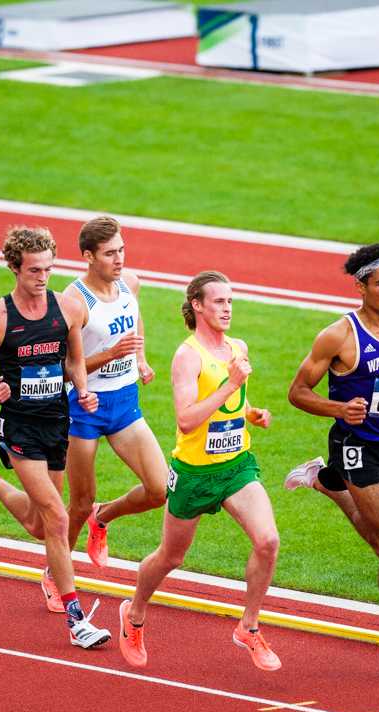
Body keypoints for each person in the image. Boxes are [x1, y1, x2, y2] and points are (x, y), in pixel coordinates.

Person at [0, 225, 110, 649]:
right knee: (58, 518)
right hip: (19, 428)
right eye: (34, 270)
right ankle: (76, 621)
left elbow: (75, 361)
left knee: (40, 525)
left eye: (49, 268)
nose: (43, 277)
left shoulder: (68, 308)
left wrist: (85, 391)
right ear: (15, 268)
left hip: (58, 421)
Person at [284, 243, 379, 682]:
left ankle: (327, 485)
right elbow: (297, 392)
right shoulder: (339, 336)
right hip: (355, 445)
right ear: (362, 286)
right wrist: (339, 410)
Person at [118, 271, 281, 671]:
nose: (227, 308)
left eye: (230, 301)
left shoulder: (237, 346)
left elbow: (227, 406)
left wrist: (250, 412)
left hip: (236, 466)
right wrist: (231, 385)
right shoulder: (187, 355)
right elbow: (188, 419)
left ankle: (249, 627)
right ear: (197, 305)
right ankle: (134, 613)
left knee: (268, 541)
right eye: (219, 301)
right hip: (194, 473)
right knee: (171, 557)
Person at [60, 217, 167, 571]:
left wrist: (140, 358)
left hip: (125, 403)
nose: (119, 259)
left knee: (159, 489)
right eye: (109, 253)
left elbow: (135, 319)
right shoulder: (74, 301)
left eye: (121, 250)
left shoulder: (129, 283)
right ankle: (56, 572)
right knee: (78, 502)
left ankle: (102, 517)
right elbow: (64, 368)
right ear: (88, 256)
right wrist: (111, 354)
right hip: (85, 407)